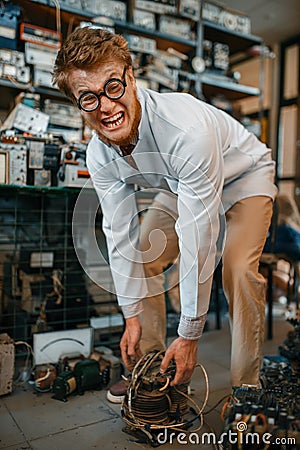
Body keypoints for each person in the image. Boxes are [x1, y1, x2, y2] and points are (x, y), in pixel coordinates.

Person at [53, 27, 277, 390]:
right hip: (183, 182)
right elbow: (118, 231)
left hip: (245, 177)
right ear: (77, 105)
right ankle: (154, 368)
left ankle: (246, 389)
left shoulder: (186, 129)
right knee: (144, 253)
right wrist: (131, 315)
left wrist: (190, 333)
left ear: (131, 77)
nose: (106, 107)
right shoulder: (99, 154)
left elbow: (198, 237)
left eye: (113, 87)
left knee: (236, 268)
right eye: (88, 98)